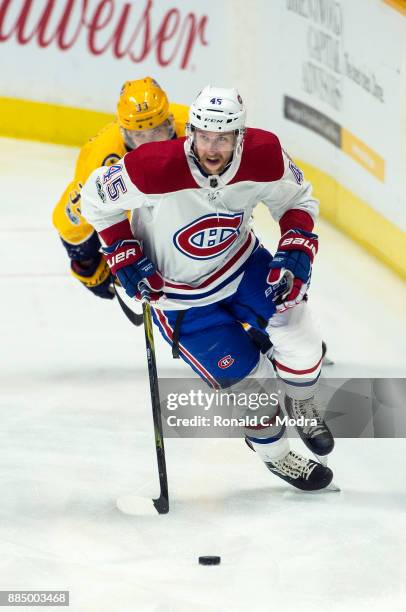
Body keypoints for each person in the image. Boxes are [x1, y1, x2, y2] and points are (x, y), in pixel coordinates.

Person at [80, 86, 335, 491]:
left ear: (240, 135)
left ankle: (302, 401)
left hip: (241, 265)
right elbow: (93, 200)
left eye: (223, 137)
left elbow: (297, 200)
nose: (211, 148)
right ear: (190, 131)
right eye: (203, 136)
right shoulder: (151, 168)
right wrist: (122, 250)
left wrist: (295, 246)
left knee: (302, 338)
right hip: (178, 298)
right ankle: (276, 455)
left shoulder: (264, 155)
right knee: (256, 391)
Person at [52, 77, 188, 299]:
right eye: (140, 135)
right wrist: (87, 263)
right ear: (125, 133)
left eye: (156, 131)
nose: (149, 143)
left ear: (170, 122)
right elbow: (74, 218)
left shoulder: (196, 129)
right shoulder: (102, 157)